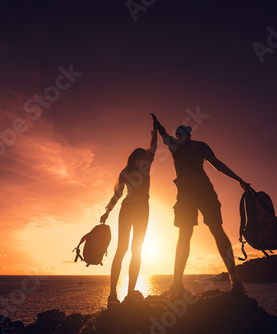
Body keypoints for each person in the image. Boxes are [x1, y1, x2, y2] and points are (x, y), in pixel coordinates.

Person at [151, 113, 249, 299]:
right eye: (178, 135)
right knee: (209, 231)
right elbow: (218, 165)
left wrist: (157, 124)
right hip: (201, 191)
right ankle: (233, 281)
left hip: (190, 192)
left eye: (180, 135)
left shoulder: (177, 145)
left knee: (191, 234)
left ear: (185, 136)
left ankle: (178, 285)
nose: (179, 137)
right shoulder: (196, 145)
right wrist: (239, 180)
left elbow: (217, 164)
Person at [101, 125, 157, 307]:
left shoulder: (147, 167)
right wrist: (107, 211)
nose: (143, 158)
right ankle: (112, 296)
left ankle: (130, 293)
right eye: (140, 156)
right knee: (121, 250)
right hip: (127, 210)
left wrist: (154, 132)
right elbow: (117, 194)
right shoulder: (124, 173)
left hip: (143, 210)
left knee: (137, 250)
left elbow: (153, 148)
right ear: (134, 158)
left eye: (144, 156)